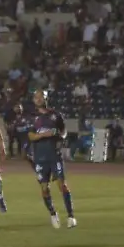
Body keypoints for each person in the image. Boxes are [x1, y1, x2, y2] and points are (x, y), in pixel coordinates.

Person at [27, 89, 76, 229]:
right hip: (40, 157)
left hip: (54, 155)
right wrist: (44, 135)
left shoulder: (56, 115)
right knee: (44, 187)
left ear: (46, 98)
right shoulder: (32, 117)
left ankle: (71, 216)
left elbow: (64, 131)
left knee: (62, 184)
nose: (38, 99)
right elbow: (30, 136)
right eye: (35, 97)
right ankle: (53, 214)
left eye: (41, 96)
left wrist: (61, 136)